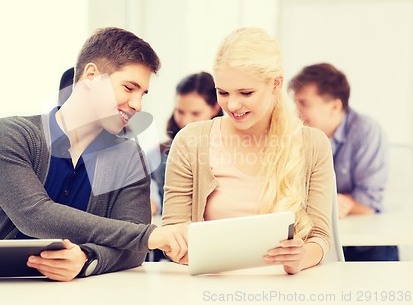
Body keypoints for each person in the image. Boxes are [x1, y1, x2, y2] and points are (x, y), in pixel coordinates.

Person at [0, 27, 187, 282]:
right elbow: (34, 215)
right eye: (129, 88)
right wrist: (148, 235)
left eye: (142, 93)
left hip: (83, 293)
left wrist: (87, 259)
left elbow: (134, 251)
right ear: (91, 76)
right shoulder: (10, 135)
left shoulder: (129, 156)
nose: (137, 104)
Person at [162, 27, 335, 274]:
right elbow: (173, 231)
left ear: (276, 83)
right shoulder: (190, 141)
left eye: (246, 93)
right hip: (211, 287)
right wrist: (182, 249)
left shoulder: (313, 145)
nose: (232, 105)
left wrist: (301, 257)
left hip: (285, 287)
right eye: (223, 92)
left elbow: (320, 237)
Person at [288, 63, 398, 261]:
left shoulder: (366, 131)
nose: (296, 112)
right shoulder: (298, 135)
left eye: (303, 103)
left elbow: (368, 203)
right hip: (319, 241)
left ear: (335, 106)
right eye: (296, 103)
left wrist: (327, 203)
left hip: (367, 248)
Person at [150, 72, 222, 215]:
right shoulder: (158, 154)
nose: (186, 121)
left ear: (215, 108)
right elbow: (155, 203)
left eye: (195, 113)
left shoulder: (231, 150)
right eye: (180, 111)